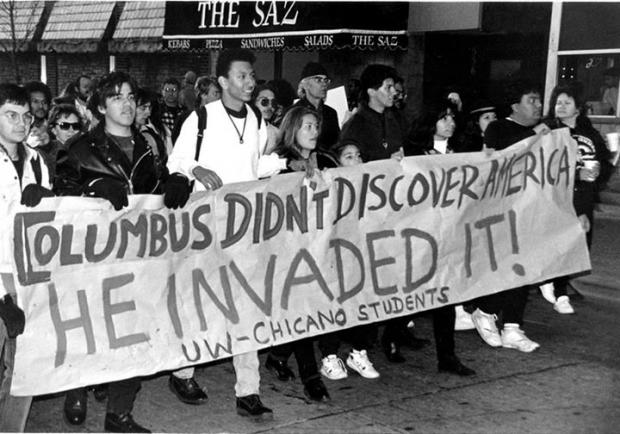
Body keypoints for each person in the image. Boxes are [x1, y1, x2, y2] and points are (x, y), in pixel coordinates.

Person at [165, 48, 286, 421]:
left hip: (244, 228)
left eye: (252, 76)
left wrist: (287, 163)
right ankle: (183, 372)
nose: (250, 83)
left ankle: (248, 391)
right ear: (222, 81)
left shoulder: (254, 118)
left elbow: (255, 165)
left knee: (247, 305)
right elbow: (176, 162)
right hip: (206, 229)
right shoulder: (201, 117)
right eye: (242, 76)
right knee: (202, 302)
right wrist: (197, 168)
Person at [55, 71, 165, 433]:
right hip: (93, 259)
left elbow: (155, 187)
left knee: (132, 332)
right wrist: (93, 191)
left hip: (137, 256)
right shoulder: (81, 149)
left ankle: (119, 414)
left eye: (132, 97)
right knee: (91, 329)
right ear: (101, 106)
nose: (127, 104)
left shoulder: (149, 144)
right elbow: (58, 204)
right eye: (118, 97)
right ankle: (78, 387)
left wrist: (177, 182)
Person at [338, 63, 431, 367]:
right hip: (368, 216)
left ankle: (394, 332)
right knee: (370, 279)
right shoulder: (356, 124)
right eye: (388, 86)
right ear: (371, 91)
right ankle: (360, 344)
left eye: (395, 86)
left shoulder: (395, 118)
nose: (394, 92)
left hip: (396, 211)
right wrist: (383, 163)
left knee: (398, 274)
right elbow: (348, 167)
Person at [470, 80, 550, 353]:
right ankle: (486, 310)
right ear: (515, 105)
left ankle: (513, 328)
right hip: (501, 212)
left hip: (530, 210)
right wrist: (536, 135)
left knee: (523, 268)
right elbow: (500, 159)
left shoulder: (546, 130)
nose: (538, 105)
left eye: (539, 100)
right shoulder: (498, 128)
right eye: (532, 100)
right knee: (506, 266)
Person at [263, 106, 335, 402]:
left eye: (316, 126)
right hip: (288, 249)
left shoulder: (326, 159)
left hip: (319, 246)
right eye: (307, 126)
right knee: (300, 308)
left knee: (308, 307)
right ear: (293, 129)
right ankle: (311, 377)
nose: (314, 132)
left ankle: (278, 355)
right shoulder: (279, 164)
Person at [0, 83, 54, 433]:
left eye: (25, 116)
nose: (21, 123)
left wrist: (45, 196)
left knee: (24, 371)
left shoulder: (37, 160)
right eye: (10, 115)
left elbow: (49, 223)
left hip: (30, 276)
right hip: (0, 277)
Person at [541, 84, 612, 314]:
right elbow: (543, 169)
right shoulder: (547, 131)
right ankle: (559, 292)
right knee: (559, 244)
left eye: (566, 102)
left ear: (578, 107)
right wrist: (574, 174)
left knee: (577, 245)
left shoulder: (590, 133)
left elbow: (603, 166)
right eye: (557, 102)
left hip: (584, 198)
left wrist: (601, 169)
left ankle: (558, 287)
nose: (560, 106)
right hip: (557, 200)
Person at [287, 62, 340, 152]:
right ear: (305, 85)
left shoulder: (331, 113)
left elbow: (336, 144)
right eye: (318, 80)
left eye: (326, 80)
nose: (324, 84)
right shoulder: (295, 112)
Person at [252, 84, 279, 155]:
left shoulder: (277, 134)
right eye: (264, 101)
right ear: (253, 102)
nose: (270, 106)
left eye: (273, 103)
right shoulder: (242, 128)